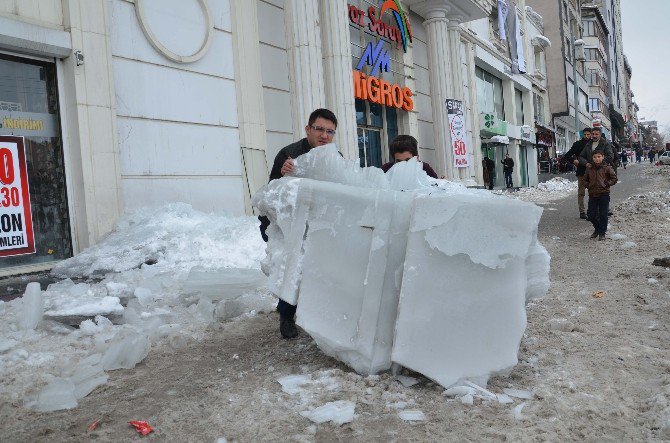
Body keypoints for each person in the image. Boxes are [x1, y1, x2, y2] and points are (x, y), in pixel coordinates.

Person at [260, 108, 338, 339]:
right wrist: (285, 177)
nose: (324, 135)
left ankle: (311, 312)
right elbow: (270, 193)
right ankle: (286, 316)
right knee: (291, 266)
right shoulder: (289, 154)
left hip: (316, 224)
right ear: (308, 129)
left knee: (315, 269)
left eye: (330, 131)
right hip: (285, 224)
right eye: (319, 129)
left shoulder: (334, 158)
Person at [583, 149, 618, 240]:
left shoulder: (607, 167)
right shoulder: (589, 168)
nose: (597, 159)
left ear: (602, 157)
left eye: (599, 157)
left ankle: (602, 233)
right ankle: (597, 229)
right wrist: (588, 185)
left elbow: (614, 178)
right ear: (592, 158)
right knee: (591, 215)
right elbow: (584, 180)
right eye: (595, 157)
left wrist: (607, 183)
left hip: (604, 194)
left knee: (603, 215)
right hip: (593, 194)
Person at [562, 127, 592, 219]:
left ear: (591, 134)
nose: (586, 136)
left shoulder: (595, 144)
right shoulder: (577, 144)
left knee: (594, 192)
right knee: (581, 193)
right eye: (585, 134)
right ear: (583, 134)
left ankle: (593, 211)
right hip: (582, 171)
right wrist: (573, 160)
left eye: (588, 134)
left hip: (593, 172)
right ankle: (582, 212)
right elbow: (567, 156)